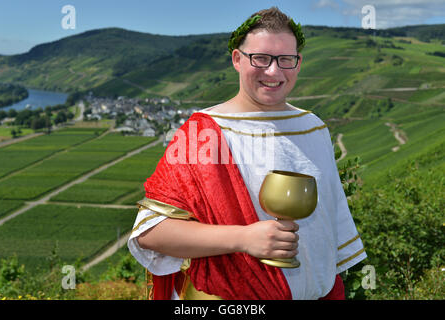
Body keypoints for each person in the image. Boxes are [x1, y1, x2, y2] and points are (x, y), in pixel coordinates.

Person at [128, 7, 366, 300]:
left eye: (285, 60)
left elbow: (326, 239)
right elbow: (152, 233)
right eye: (261, 58)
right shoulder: (203, 133)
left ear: (298, 63)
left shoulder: (313, 128)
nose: (274, 71)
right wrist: (244, 238)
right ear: (237, 60)